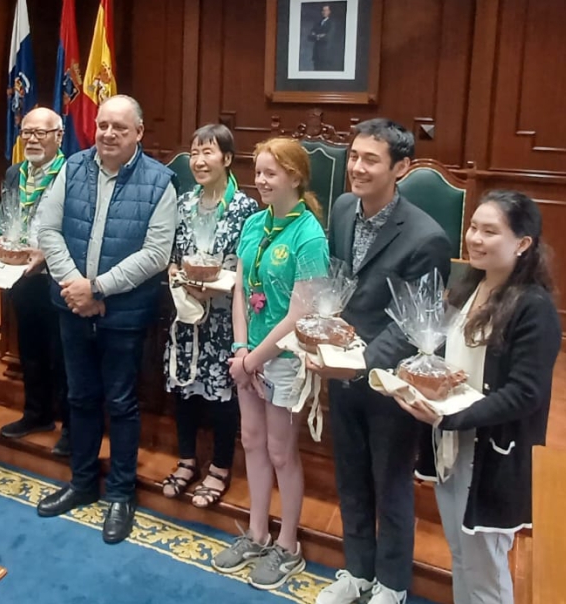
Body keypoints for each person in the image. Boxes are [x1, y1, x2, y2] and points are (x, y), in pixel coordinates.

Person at [310, 118, 451, 604]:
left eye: (371, 159)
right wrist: (325, 341)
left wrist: (361, 363)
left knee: (390, 485)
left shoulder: (426, 236)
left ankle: (392, 585)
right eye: (353, 156)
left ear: (402, 167)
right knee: (349, 476)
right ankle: (358, 572)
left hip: (389, 379)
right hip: (342, 367)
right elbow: (339, 281)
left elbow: (413, 323)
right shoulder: (344, 208)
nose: (357, 167)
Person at [395, 190, 560, 604]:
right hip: (451, 443)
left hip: (492, 453)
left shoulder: (533, 308)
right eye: (473, 227)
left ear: (523, 244)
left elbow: (526, 393)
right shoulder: (469, 284)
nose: (475, 239)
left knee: (485, 568)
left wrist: (449, 416)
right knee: (461, 555)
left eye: (490, 231)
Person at [34, 95, 178, 544]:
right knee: (79, 398)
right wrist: (77, 285)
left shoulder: (160, 182)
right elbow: (47, 229)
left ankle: (120, 494)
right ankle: (81, 484)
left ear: (138, 133)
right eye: (102, 126)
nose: (108, 135)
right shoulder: (73, 167)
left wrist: (98, 289)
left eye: (119, 127)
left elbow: (156, 255)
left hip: (124, 312)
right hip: (72, 307)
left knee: (121, 402)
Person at [211, 137, 329, 590]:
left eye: (269, 174)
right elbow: (241, 289)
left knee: (281, 451)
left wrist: (256, 359)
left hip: (283, 358)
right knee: (252, 442)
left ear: (294, 178)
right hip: (248, 354)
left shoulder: (310, 235)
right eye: (257, 172)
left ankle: (288, 544)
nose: (259, 181)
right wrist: (241, 349)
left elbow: (302, 313)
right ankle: (257, 533)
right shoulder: (254, 224)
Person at [160, 124, 259, 508]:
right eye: (194, 153)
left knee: (222, 395)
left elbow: (248, 268)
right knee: (182, 386)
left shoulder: (246, 209)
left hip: (224, 318)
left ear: (227, 159)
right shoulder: (183, 203)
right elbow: (170, 257)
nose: (199, 161)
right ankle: (187, 459)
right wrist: (177, 275)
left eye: (208, 153)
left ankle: (219, 466)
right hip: (185, 314)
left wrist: (217, 286)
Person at [0, 107, 71, 457]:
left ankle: (71, 427)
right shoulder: (14, 174)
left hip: (59, 277)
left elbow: (82, 227)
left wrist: (48, 254)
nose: (33, 140)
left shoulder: (73, 174)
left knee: (65, 356)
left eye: (41, 133)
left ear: (59, 135)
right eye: (27, 133)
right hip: (22, 277)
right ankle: (36, 414)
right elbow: (7, 218)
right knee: (30, 351)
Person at [309, 4, 336, 70]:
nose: (324, 12)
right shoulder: (317, 23)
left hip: (326, 55)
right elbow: (310, 36)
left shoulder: (332, 23)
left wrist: (316, 36)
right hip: (316, 54)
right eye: (323, 10)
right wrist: (320, 36)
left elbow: (327, 37)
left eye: (326, 10)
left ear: (329, 12)